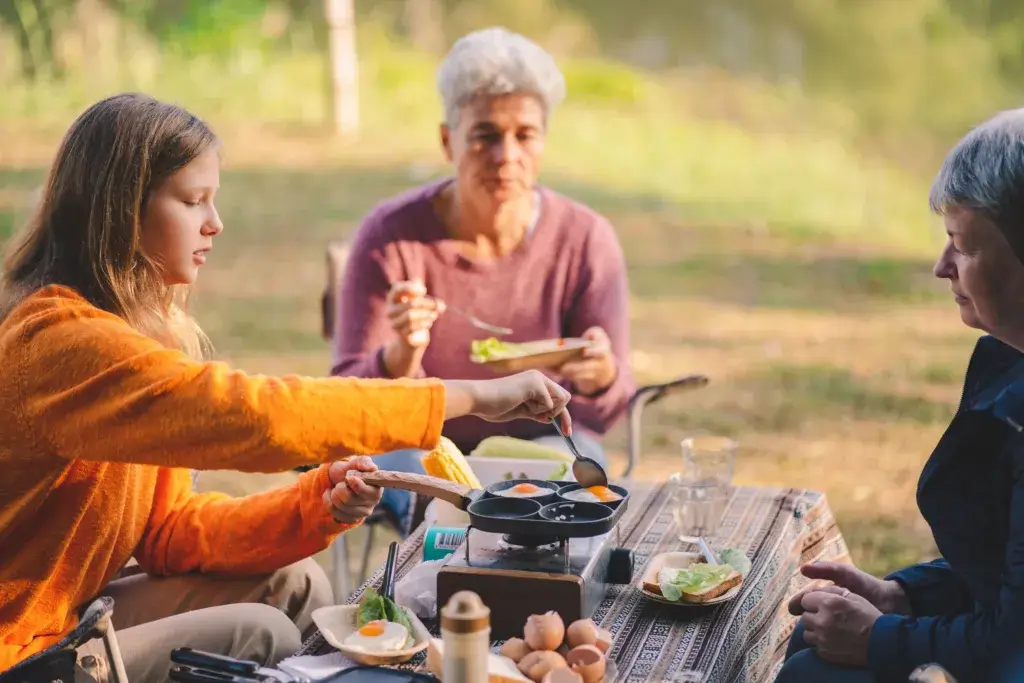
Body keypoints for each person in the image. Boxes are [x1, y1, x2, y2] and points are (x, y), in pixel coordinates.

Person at [0, 92, 573, 683]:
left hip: (66, 614)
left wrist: (315, 504)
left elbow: (168, 533)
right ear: (119, 211)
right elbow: (257, 417)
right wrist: (473, 396)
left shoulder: (130, 338)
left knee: (299, 586)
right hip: (19, 650)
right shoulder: (58, 344)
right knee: (265, 631)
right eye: (193, 200)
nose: (214, 223)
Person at [331, 27, 635, 529]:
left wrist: (601, 377)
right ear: (448, 140)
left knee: (582, 479)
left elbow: (608, 408)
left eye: (524, 135)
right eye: (484, 135)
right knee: (431, 499)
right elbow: (343, 403)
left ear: (543, 142)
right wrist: (398, 357)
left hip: (537, 449)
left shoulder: (585, 239)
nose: (505, 156)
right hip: (421, 448)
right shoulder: (391, 237)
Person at [776, 108, 1024, 683]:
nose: (942, 267)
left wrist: (878, 640)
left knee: (816, 676)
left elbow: (1014, 651)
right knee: (810, 643)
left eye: (962, 245)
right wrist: (903, 596)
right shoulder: (1006, 361)